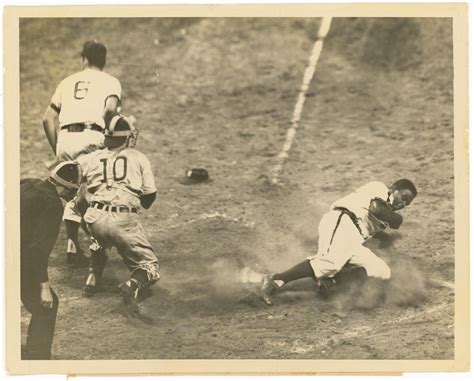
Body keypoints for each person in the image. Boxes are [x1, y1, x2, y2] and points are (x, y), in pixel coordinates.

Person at [261, 179, 418, 305]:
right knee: (330, 263)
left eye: (407, 203)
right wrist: (398, 220)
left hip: (353, 237)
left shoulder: (388, 211)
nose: (403, 204)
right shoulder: (379, 188)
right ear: (394, 188)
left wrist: (385, 238)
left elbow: (369, 225)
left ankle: (331, 282)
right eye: (403, 197)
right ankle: (276, 279)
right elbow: (376, 209)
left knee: (381, 271)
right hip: (342, 221)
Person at [42, 39, 122, 266]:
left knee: (72, 189)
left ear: (84, 59)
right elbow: (109, 110)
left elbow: (47, 118)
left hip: (65, 140)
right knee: (93, 194)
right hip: (92, 140)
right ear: (103, 61)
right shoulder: (110, 81)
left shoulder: (66, 81)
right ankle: (98, 245)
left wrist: (58, 148)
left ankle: (72, 243)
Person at [76, 115, 160, 312]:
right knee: (150, 268)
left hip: (94, 217)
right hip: (123, 220)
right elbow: (150, 196)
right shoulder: (138, 157)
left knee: (99, 239)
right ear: (126, 137)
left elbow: (78, 195)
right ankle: (131, 286)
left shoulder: (91, 158)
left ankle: (92, 278)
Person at [21, 162, 82, 359]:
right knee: (46, 304)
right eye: (72, 190)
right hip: (15, 260)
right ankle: (37, 359)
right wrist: (44, 286)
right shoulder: (53, 205)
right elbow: (37, 250)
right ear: (64, 186)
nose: (71, 196)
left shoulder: (28, 183)